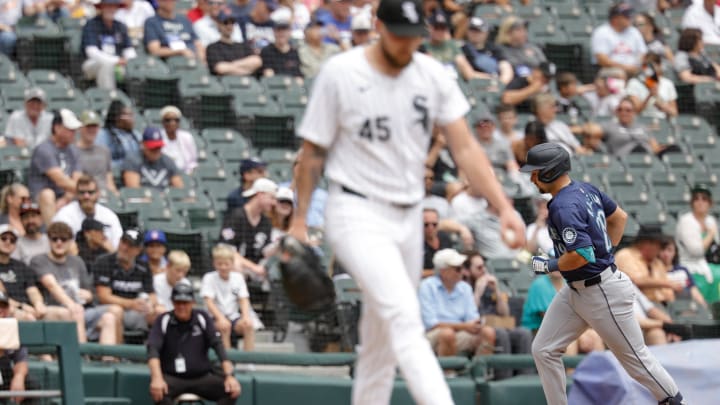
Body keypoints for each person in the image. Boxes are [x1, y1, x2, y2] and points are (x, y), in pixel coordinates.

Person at [288, 0, 526, 401]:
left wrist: (504, 207)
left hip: (409, 215)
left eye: (414, 36)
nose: (406, 45)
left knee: (379, 344)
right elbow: (312, 154)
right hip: (356, 210)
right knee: (404, 317)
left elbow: (465, 147)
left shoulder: (431, 74)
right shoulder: (341, 73)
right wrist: (298, 220)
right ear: (379, 26)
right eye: (399, 34)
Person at [521, 142, 684, 405]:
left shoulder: (563, 205)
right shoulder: (585, 188)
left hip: (601, 291)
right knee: (544, 349)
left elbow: (583, 254)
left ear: (550, 171)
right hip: (577, 289)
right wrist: (606, 249)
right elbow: (619, 218)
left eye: (536, 171)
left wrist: (550, 265)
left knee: (637, 362)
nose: (531, 176)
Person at [147, 283, 241, 404]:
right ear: (172, 302)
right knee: (159, 392)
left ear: (192, 302)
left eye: (185, 303)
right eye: (178, 302)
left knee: (231, 390)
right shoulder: (163, 320)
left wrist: (229, 375)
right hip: (173, 377)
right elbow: (153, 349)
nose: (181, 306)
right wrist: (156, 378)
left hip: (201, 377)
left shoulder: (202, 317)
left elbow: (218, 345)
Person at [32, 221, 120, 345]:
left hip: (82, 311)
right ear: (49, 240)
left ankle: (109, 360)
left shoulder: (77, 262)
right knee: (75, 312)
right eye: (55, 239)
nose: (59, 242)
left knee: (110, 317)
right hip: (53, 310)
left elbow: (91, 293)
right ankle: (81, 359)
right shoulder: (39, 260)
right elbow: (51, 286)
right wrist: (71, 305)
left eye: (64, 239)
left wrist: (89, 296)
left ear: (70, 241)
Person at [418, 249, 496, 357]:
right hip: (431, 335)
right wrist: (464, 326)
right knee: (447, 334)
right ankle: (448, 373)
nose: (462, 272)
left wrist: (476, 325)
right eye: (458, 269)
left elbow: (472, 318)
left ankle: (481, 371)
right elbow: (431, 324)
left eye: (462, 268)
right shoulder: (426, 286)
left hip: (460, 333)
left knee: (488, 332)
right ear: (443, 271)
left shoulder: (465, 288)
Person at [520, 270, 606, 354]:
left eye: (560, 260)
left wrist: (584, 332)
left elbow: (583, 312)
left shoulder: (570, 282)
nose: (557, 266)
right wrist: (579, 335)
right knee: (570, 342)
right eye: (554, 260)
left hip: (566, 328)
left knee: (594, 336)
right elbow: (550, 320)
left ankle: (604, 368)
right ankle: (570, 369)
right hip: (540, 331)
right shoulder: (540, 285)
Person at [95, 229, 160, 334]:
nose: (124, 248)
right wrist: (131, 304)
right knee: (116, 311)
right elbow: (103, 297)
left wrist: (149, 304)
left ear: (138, 250)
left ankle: (154, 349)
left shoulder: (143, 266)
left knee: (160, 312)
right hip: (108, 310)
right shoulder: (104, 262)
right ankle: (116, 350)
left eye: (130, 246)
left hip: (136, 311)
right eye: (123, 242)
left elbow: (151, 294)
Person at [28, 109, 83, 225]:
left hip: (66, 195)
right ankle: (53, 234)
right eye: (70, 130)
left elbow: (77, 179)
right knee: (48, 194)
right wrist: (85, 190)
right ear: (57, 128)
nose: (74, 133)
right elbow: (61, 181)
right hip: (42, 197)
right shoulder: (44, 149)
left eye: (74, 130)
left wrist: (67, 198)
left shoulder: (74, 150)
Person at [201, 244, 259, 350]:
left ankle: (249, 362)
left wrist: (246, 317)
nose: (223, 267)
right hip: (215, 319)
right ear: (214, 264)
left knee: (249, 325)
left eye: (226, 264)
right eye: (220, 264)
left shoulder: (238, 278)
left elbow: (243, 299)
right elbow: (209, 302)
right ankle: (227, 361)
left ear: (232, 264)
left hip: (234, 318)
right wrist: (221, 318)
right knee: (224, 326)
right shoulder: (209, 278)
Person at [220, 177, 276, 279]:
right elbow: (227, 249)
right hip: (239, 266)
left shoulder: (266, 222)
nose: (274, 203)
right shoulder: (235, 217)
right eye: (271, 198)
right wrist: (253, 267)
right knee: (235, 265)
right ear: (260, 195)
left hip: (259, 266)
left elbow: (265, 250)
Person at [675, 183, 720, 304]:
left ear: (710, 203)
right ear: (692, 202)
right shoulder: (687, 221)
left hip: (710, 266)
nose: (700, 202)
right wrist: (710, 233)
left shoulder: (710, 220)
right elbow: (696, 251)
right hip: (691, 267)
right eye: (696, 198)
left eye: (704, 199)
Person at [52, 175, 123, 250]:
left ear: (98, 193)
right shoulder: (63, 216)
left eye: (90, 192)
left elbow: (117, 246)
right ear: (76, 194)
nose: (86, 196)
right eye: (82, 192)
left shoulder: (109, 215)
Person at [80, 0, 137, 90]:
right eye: (107, 6)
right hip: (93, 63)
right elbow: (91, 52)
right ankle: (109, 98)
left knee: (134, 68)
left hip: (119, 64)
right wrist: (115, 60)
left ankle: (133, 100)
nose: (110, 9)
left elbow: (129, 50)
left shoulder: (120, 26)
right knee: (106, 65)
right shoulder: (91, 24)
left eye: (113, 6)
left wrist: (129, 61)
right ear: (102, 7)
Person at [615, 224, 679, 304]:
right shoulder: (625, 255)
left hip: (658, 305)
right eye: (659, 245)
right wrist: (667, 283)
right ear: (647, 243)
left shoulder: (657, 263)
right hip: (633, 304)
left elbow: (667, 293)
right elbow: (635, 281)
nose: (659, 250)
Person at [0, 291, 40, 405]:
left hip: (4, 373)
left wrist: (19, 377)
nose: (0, 309)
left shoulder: (13, 327)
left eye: (3, 306)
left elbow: (21, 359)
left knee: (30, 384)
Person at [591, 2, 647, 77]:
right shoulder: (602, 32)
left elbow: (642, 53)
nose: (630, 18)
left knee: (651, 73)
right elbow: (602, 60)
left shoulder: (634, 31)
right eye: (626, 16)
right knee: (620, 74)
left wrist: (637, 66)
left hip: (634, 68)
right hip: (609, 70)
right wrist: (626, 68)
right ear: (615, 18)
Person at [206, 11, 262, 76]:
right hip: (224, 83)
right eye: (225, 23)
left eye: (232, 23)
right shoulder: (213, 47)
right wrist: (247, 71)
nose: (229, 26)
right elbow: (220, 68)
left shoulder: (242, 46)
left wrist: (230, 66)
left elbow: (257, 61)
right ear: (218, 25)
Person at [76, 111, 119, 195]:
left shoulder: (104, 151)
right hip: (86, 195)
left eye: (94, 126)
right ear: (80, 128)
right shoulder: (73, 151)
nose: (92, 130)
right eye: (88, 126)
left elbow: (109, 181)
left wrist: (116, 196)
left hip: (105, 195)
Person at [461, 17, 513, 85]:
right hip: (475, 86)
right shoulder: (462, 49)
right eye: (472, 30)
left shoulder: (494, 48)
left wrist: (501, 84)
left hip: (498, 84)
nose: (475, 33)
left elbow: (506, 69)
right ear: (467, 31)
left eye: (479, 30)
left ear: (486, 32)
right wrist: (492, 79)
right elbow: (469, 74)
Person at [625, 53, 678, 119]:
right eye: (646, 65)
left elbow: (674, 112)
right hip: (643, 122)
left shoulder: (668, 83)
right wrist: (649, 96)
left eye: (652, 65)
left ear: (659, 66)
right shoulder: (634, 83)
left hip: (663, 123)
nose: (649, 69)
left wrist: (664, 107)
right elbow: (635, 111)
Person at [659, 238, 708, 309]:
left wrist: (704, 308)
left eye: (669, 250)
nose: (666, 254)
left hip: (688, 306)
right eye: (663, 249)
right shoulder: (655, 271)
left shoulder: (683, 270)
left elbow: (694, 290)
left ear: (675, 252)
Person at [96, 100, 142, 170]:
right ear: (117, 117)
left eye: (132, 115)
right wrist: (124, 164)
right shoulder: (103, 134)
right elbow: (100, 162)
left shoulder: (136, 135)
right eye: (128, 115)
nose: (132, 119)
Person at [260, 8, 302, 77]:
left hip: (293, 86)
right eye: (279, 30)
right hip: (275, 86)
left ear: (290, 32)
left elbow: (298, 77)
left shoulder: (294, 52)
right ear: (274, 32)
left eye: (284, 29)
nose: (282, 33)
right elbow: (269, 75)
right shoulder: (267, 51)